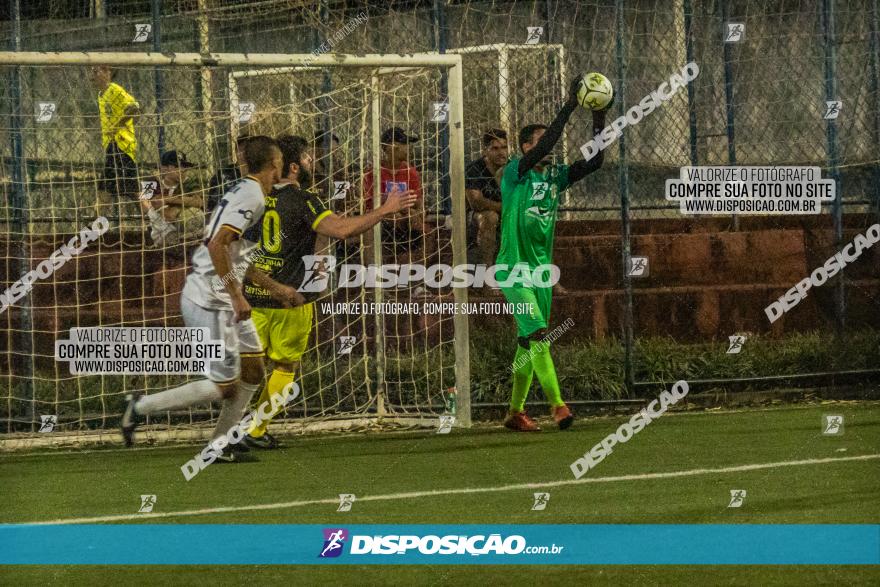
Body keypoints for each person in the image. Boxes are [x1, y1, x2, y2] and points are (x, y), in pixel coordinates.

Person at [122, 136, 296, 463]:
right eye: (281, 162)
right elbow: (218, 245)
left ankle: (222, 443)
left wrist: (275, 288)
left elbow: (237, 256)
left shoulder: (247, 191)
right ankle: (140, 406)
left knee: (254, 370)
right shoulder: (252, 196)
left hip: (222, 296)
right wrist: (236, 297)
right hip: (209, 298)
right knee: (225, 386)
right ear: (275, 164)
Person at [241, 135, 417, 448]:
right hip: (290, 300)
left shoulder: (250, 196)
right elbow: (341, 230)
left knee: (245, 369)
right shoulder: (304, 200)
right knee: (284, 366)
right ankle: (254, 429)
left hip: (251, 295)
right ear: (292, 167)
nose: (312, 162)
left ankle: (231, 429)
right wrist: (383, 210)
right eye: (308, 158)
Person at [499, 79, 610, 432]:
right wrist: (568, 105)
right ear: (525, 147)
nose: (548, 148)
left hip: (540, 273)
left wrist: (598, 116)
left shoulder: (554, 178)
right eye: (539, 142)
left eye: (546, 142)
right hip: (512, 270)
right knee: (539, 336)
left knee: (527, 343)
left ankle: (515, 412)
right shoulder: (514, 174)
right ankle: (558, 406)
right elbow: (548, 141)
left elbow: (596, 162)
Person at [362, 127, 425, 263]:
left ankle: (416, 274)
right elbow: (371, 205)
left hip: (405, 215)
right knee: (371, 229)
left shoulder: (411, 172)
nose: (408, 148)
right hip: (382, 217)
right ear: (392, 148)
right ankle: (373, 273)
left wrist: (411, 211)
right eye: (404, 144)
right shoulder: (373, 172)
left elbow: (417, 202)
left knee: (424, 228)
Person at [90, 65, 140, 217]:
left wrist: (117, 126)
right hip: (112, 147)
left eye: (95, 70)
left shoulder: (114, 90)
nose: (92, 74)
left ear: (108, 72)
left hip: (121, 146)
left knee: (133, 192)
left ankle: (154, 222)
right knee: (104, 189)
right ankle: (94, 229)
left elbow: (134, 108)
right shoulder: (101, 94)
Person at [140, 151, 205, 246]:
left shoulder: (189, 182)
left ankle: (185, 242)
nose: (183, 170)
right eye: (177, 166)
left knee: (195, 214)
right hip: (158, 227)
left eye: (184, 166)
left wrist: (168, 200)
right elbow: (144, 207)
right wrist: (182, 203)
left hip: (181, 227)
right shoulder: (150, 181)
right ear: (164, 169)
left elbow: (199, 202)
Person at [465, 128, 508, 270]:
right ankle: (487, 275)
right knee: (490, 217)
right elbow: (476, 202)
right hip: (474, 217)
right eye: (495, 148)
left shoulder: (512, 168)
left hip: (507, 213)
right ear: (485, 150)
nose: (501, 152)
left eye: (504, 147)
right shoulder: (474, 169)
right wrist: (505, 207)